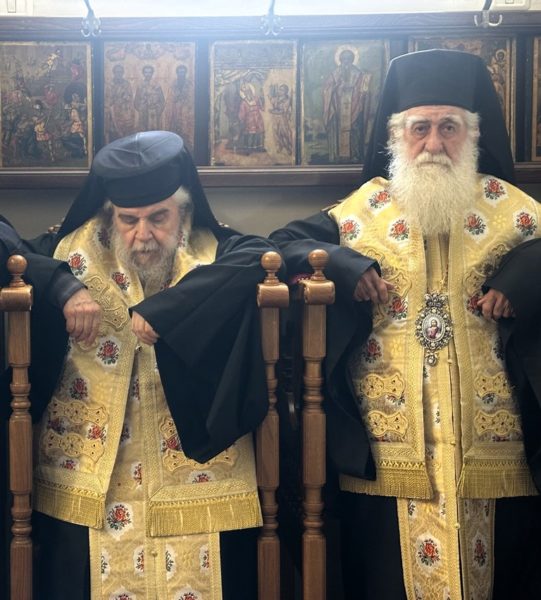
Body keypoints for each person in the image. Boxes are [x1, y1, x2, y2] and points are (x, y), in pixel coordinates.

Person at [270, 49, 541, 599]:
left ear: (472, 134)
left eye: (449, 127)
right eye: (420, 128)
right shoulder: (362, 211)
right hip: (388, 448)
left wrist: (526, 277)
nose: (434, 144)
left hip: (493, 446)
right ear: (397, 135)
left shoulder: (509, 208)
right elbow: (277, 248)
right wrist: (342, 264)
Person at [26, 130, 278, 600]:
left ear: (183, 210)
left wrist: (169, 310)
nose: (143, 235)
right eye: (129, 220)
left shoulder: (214, 250)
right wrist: (64, 287)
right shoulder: (69, 253)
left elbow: (266, 257)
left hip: (192, 466)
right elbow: (14, 257)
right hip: (94, 470)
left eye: (158, 218)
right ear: (110, 215)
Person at [322, 47, 372, 163]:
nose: (346, 61)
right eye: (344, 59)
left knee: (354, 130)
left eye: (348, 58)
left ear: (352, 60)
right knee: (339, 130)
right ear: (340, 60)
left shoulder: (359, 74)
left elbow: (363, 90)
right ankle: (338, 155)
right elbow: (327, 89)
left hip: (354, 106)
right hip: (338, 107)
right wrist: (336, 88)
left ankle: (355, 155)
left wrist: (360, 92)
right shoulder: (335, 74)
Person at [134, 64, 165, 131]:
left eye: (149, 72)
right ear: (143, 73)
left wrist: (158, 110)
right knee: (144, 130)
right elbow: (136, 101)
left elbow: (162, 100)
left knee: (155, 131)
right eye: (146, 72)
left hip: (155, 113)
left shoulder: (157, 86)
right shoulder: (140, 86)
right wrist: (141, 109)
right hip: (144, 113)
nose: (148, 74)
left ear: (152, 73)